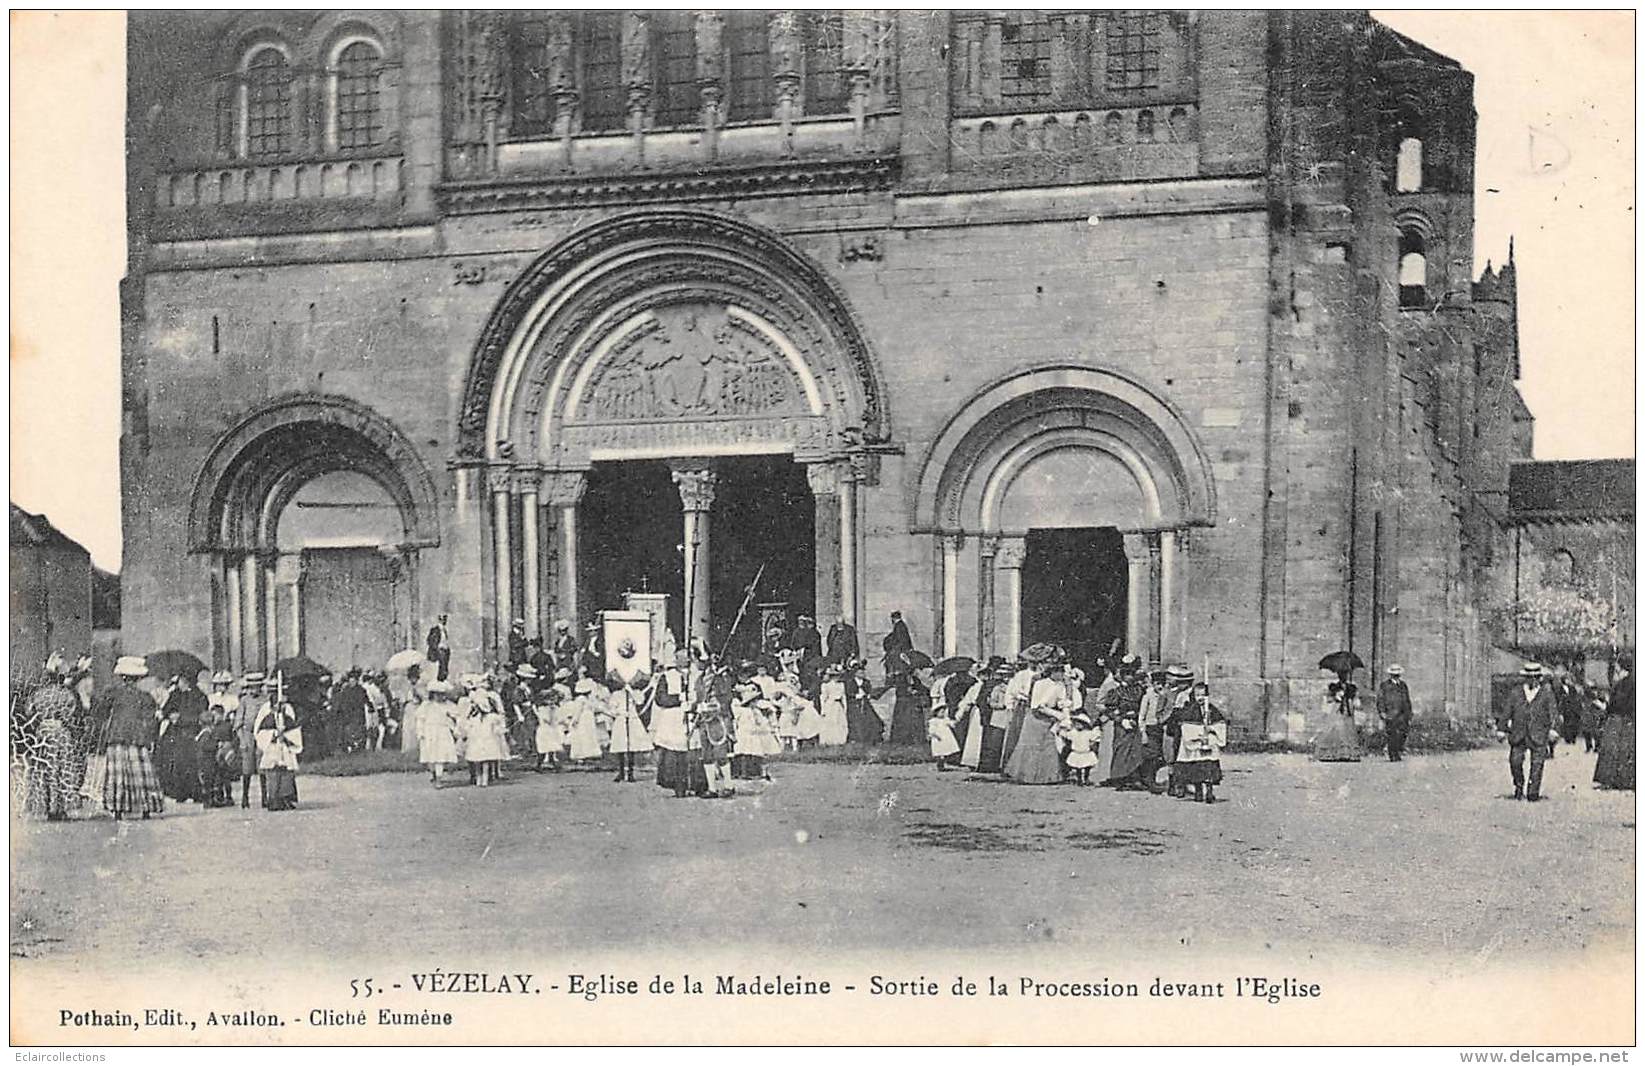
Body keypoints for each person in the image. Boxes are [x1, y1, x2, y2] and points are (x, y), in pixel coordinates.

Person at [20, 654, 93, 821]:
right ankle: (59, 807)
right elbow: (72, 715)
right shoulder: (66, 695)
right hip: (60, 732)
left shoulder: (38, 695)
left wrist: (39, 724)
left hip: (43, 733)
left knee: (44, 769)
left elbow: (28, 712)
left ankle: (44, 805)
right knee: (62, 769)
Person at [98, 657, 165, 820]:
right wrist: (150, 737)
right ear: (138, 678)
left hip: (117, 735)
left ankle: (118, 808)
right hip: (137, 736)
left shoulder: (112, 693)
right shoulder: (145, 696)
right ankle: (145, 807)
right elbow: (150, 719)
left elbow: (101, 712)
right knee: (140, 772)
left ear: (123, 677)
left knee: (118, 773)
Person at [1496, 661, 1559, 802]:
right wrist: (1501, 728)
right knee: (1515, 761)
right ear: (1524, 678)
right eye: (1529, 677)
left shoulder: (1546, 693)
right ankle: (1519, 785)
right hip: (1519, 733)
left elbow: (1553, 712)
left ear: (1539, 678)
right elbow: (1507, 711)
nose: (1532, 680)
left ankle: (1533, 791)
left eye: (1535, 677)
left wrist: (1554, 729)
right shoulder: (1516, 692)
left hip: (1538, 734)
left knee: (1537, 764)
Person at [1005, 659, 1075, 784]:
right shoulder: (1040, 684)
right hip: (1035, 718)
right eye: (1058, 672)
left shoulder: (1060, 685)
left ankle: (1049, 777)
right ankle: (1028, 776)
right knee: (1032, 747)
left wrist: (1064, 707)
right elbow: (1037, 705)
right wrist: (1057, 715)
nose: (1061, 675)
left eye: (1062, 672)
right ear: (1052, 672)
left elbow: (1060, 700)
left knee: (1049, 746)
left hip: (1049, 719)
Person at [1096, 656, 1147, 787]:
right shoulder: (1116, 691)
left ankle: (1134, 777)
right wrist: (1120, 719)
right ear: (1123, 676)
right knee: (1121, 749)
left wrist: (1137, 718)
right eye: (1127, 675)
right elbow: (1109, 709)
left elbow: (1143, 706)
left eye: (1132, 674)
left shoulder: (1139, 690)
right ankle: (1119, 778)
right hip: (1121, 725)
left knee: (1135, 750)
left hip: (1134, 723)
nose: (1130, 677)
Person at [1172, 682, 1228, 803]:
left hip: (1209, 743)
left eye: (1203, 695)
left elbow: (1220, 724)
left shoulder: (1212, 710)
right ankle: (1198, 791)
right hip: (1195, 744)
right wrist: (1198, 733)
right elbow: (1186, 725)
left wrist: (1212, 728)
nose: (1200, 698)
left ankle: (1209, 790)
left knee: (1208, 767)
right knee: (1196, 768)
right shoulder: (1189, 710)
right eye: (1197, 695)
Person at [254, 687, 303, 811]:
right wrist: (274, 734)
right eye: (276, 705)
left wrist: (286, 736)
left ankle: (285, 799)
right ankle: (273, 800)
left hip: (285, 748)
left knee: (286, 774)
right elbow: (261, 733)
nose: (278, 708)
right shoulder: (268, 718)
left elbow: (294, 732)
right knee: (273, 775)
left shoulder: (287, 717)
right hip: (272, 748)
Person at [605, 668, 653, 783]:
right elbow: (611, 709)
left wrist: (630, 690)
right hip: (621, 719)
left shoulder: (634, 693)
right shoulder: (616, 694)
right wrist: (619, 713)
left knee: (632, 747)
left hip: (632, 719)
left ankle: (630, 773)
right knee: (620, 747)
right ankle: (621, 772)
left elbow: (640, 701)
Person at [1594, 658, 1634, 790]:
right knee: (1624, 752)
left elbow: (1618, 703)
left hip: (1618, 720)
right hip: (1627, 720)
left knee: (1612, 750)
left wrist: (1605, 705)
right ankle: (1623, 780)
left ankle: (1612, 780)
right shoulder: (1630, 682)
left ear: (1621, 667)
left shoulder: (1624, 683)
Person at [462, 678, 509, 787]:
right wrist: (466, 734)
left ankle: (485, 778)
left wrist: (501, 730)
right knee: (477, 760)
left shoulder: (491, 717)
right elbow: (468, 727)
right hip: (476, 741)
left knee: (486, 760)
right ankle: (478, 777)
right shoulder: (474, 718)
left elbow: (497, 727)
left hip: (488, 740)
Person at [229, 674, 266, 809]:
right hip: (248, 734)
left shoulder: (265, 700)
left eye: (256, 687)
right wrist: (242, 739)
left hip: (262, 734)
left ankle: (265, 797)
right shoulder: (244, 701)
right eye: (251, 687)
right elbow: (238, 722)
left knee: (262, 765)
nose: (253, 690)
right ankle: (245, 797)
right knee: (247, 767)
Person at [416, 680, 462, 786]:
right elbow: (420, 719)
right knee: (431, 756)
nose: (439, 696)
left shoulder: (447, 705)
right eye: (437, 694)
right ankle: (433, 773)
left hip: (442, 732)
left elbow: (456, 716)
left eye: (442, 694)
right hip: (430, 732)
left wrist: (455, 726)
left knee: (440, 756)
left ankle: (439, 779)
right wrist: (420, 732)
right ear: (432, 694)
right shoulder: (427, 706)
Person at [1311, 678, 1364, 762]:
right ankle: (1332, 753)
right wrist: (1336, 696)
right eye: (1341, 674)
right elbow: (1328, 700)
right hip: (1337, 710)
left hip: (1347, 711)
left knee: (1349, 731)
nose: (1343, 676)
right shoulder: (1334, 687)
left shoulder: (1351, 688)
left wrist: (1350, 699)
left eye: (1345, 674)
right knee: (1336, 730)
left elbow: (1357, 702)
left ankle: (1348, 754)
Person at [1377, 664, 1413, 762]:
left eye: (1398, 674)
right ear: (1391, 675)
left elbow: (1407, 699)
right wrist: (1382, 711)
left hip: (1403, 714)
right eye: (1394, 674)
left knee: (1403, 733)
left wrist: (1409, 713)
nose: (1396, 676)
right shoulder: (1385, 685)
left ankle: (1397, 751)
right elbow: (1380, 699)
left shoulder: (1403, 685)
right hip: (1391, 713)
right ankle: (1392, 754)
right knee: (1392, 734)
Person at [331, 670, 369, 756]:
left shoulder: (361, 690)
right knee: (348, 731)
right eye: (350, 681)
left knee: (358, 731)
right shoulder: (346, 690)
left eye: (354, 681)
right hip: (348, 715)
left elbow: (365, 700)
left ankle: (357, 747)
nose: (352, 683)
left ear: (356, 681)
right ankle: (349, 747)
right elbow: (342, 702)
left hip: (358, 714)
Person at [1551, 664, 1585, 753]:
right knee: (1567, 725)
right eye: (1566, 680)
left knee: (1573, 724)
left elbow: (1575, 698)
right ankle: (1568, 739)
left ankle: (1573, 738)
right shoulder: (1559, 689)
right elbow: (1560, 700)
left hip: (1572, 709)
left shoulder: (1572, 688)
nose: (1568, 681)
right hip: (1565, 709)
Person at [816, 663, 850, 747]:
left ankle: (840, 740)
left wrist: (845, 707)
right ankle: (829, 740)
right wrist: (823, 710)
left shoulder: (841, 685)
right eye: (835, 676)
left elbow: (843, 697)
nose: (837, 677)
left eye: (838, 675)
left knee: (840, 721)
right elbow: (823, 698)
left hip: (838, 705)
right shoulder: (826, 685)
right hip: (830, 705)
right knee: (830, 722)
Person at [1063, 713, 1100, 786]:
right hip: (1077, 752)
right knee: (1078, 767)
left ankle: (1086, 778)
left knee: (1087, 766)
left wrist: (1092, 743)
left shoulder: (1088, 733)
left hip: (1086, 752)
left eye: (1080, 724)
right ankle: (1079, 779)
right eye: (1076, 724)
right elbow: (1066, 736)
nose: (1078, 726)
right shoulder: (1073, 732)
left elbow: (1095, 738)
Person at [928, 690, 960, 771]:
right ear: (936, 713)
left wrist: (954, 722)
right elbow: (931, 730)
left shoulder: (945, 719)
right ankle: (940, 765)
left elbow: (951, 724)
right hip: (938, 738)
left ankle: (943, 764)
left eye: (943, 712)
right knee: (939, 752)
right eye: (941, 712)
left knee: (945, 751)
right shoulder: (934, 721)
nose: (942, 714)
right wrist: (934, 735)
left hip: (945, 738)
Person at [881, 611, 913, 681]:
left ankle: (893, 680)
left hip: (900, 650)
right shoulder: (901, 625)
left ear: (893, 618)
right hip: (902, 649)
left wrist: (893, 649)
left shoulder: (899, 626)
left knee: (893, 665)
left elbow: (899, 640)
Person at [426, 613, 452, 682]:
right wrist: (436, 648)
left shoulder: (445, 630)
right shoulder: (435, 629)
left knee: (445, 666)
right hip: (439, 650)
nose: (444, 621)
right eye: (443, 619)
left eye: (445, 619)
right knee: (441, 666)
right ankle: (440, 680)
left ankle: (443, 679)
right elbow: (430, 641)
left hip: (445, 650)